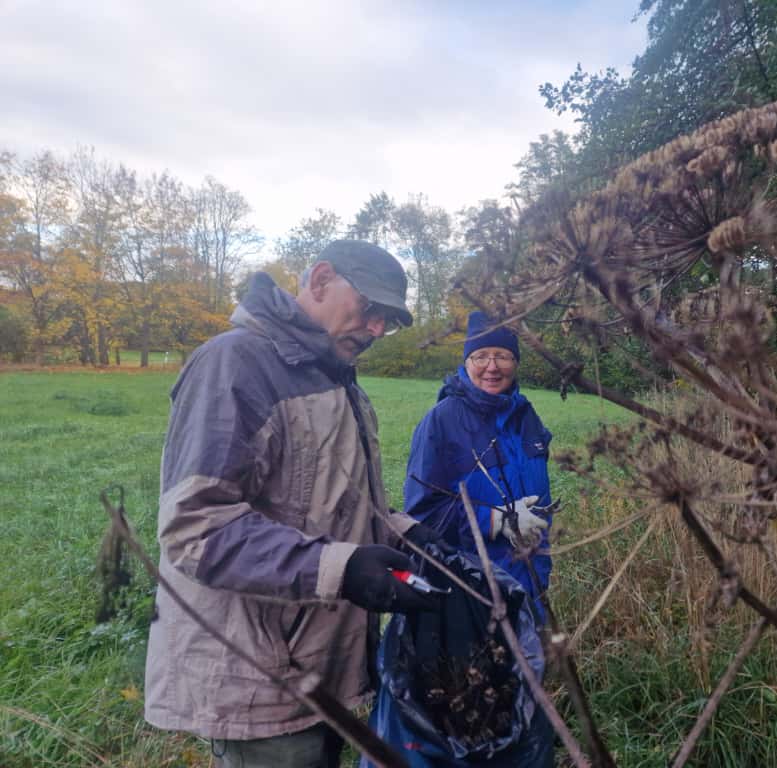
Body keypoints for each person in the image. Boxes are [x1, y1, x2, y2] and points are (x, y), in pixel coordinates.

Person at [145, 240, 447, 768]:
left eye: (389, 321)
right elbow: (195, 528)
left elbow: (340, 502)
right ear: (322, 279)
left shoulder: (338, 380)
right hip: (261, 679)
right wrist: (343, 568)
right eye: (371, 309)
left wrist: (408, 535)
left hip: (327, 668)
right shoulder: (235, 363)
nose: (377, 330)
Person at [403, 311, 553, 617]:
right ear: (466, 362)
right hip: (472, 592)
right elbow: (421, 516)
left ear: (517, 362)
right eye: (481, 356)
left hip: (530, 584)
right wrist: (494, 521)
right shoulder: (441, 421)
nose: (492, 367)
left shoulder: (528, 417)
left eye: (503, 356)